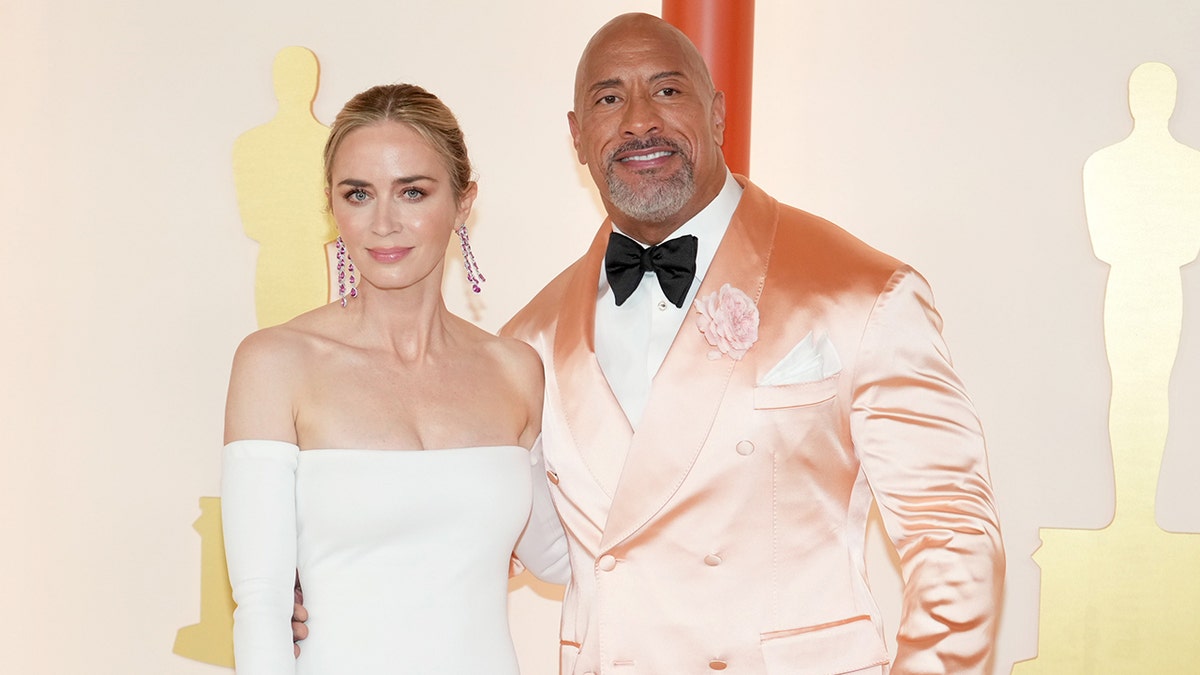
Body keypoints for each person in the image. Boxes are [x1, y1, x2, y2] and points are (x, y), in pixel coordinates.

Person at [499, 13, 1005, 674]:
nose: (640, 120)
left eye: (668, 91)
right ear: (576, 134)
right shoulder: (527, 339)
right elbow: (479, 532)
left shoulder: (865, 292)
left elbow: (954, 539)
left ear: (717, 114)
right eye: (608, 98)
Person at [221, 83, 569, 674]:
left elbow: (564, 558)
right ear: (333, 206)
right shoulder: (276, 363)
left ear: (464, 202)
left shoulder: (515, 370)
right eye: (358, 194)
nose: (384, 222)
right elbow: (261, 607)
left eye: (412, 191)